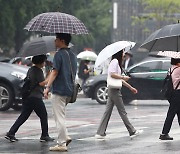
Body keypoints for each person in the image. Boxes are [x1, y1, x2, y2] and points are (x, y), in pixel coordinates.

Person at [5, 54, 54, 142]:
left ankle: (11, 133)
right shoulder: (37, 71)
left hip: (28, 97)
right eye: (43, 61)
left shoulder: (31, 69)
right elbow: (42, 83)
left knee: (23, 116)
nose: (44, 63)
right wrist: (51, 75)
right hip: (35, 97)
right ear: (40, 62)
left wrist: (49, 73)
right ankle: (44, 135)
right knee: (43, 115)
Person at [95, 50, 140, 139]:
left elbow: (119, 79)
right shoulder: (114, 61)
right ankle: (132, 131)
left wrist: (130, 87)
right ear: (119, 53)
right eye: (123, 52)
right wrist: (123, 77)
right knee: (122, 111)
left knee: (107, 112)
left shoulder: (117, 63)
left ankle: (100, 133)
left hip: (113, 89)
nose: (124, 54)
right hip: (114, 90)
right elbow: (112, 74)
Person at [44, 33, 77, 152]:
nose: (54, 41)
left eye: (56, 39)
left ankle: (61, 143)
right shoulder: (73, 55)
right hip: (69, 90)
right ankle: (66, 136)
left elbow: (55, 72)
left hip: (59, 89)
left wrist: (47, 87)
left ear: (62, 41)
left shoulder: (59, 55)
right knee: (61, 115)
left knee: (59, 118)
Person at [159, 58, 180, 140]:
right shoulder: (178, 69)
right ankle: (164, 133)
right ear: (178, 62)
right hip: (177, 94)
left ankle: (164, 133)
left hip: (171, 93)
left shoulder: (171, 69)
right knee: (171, 114)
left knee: (179, 113)